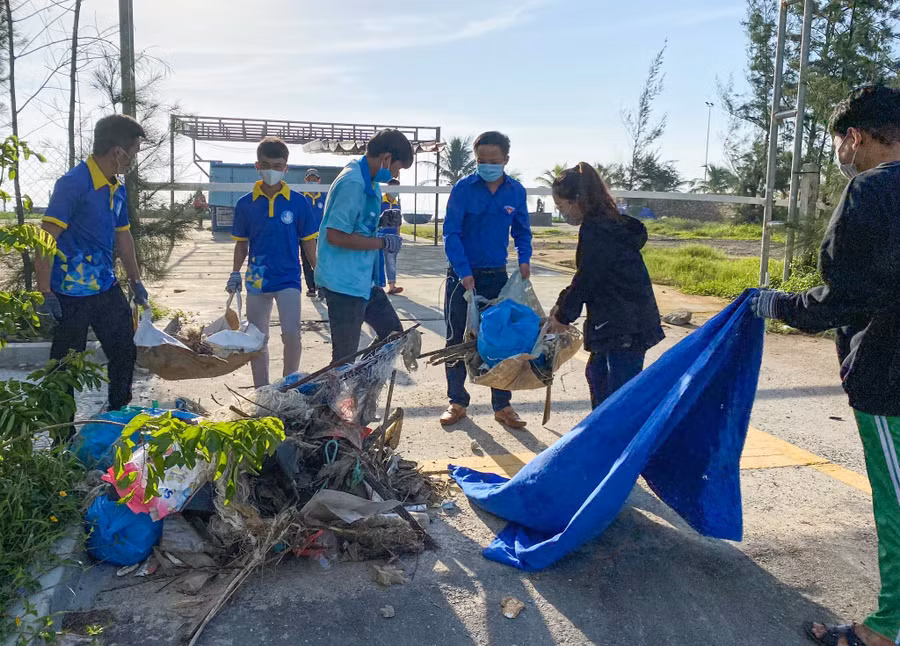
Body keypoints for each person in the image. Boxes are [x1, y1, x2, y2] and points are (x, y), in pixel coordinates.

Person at [751, 85, 900, 646]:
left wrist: (777, 305)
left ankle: (887, 629)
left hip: (890, 377)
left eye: (840, 143)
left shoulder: (874, 189)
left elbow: (846, 296)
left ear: (855, 137)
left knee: (896, 503)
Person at [34, 114, 148, 429]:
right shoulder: (73, 183)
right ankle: (61, 436)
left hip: (105, 287)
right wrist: (44, 291)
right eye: (134, 152)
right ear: (118, 151)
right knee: (65, 368)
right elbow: (46, 238)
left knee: (124, 350)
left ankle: (115, 418)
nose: (133, 159)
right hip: (69, 293)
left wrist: (135, 279)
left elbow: (123, 236)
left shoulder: (116, 188)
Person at [548, 162, 664, 408]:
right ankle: (603, 429)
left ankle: (621, 432)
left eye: (561, 206)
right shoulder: (609, 224)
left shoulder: (598, 230)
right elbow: (588, 272)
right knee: (597, 375)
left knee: (620, 395)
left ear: (577, 199)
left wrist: (563, 315)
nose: (562, 212)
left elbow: (587, 278)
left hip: (624, 323)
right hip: (622, 319)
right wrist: (562, 303)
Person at [441, 131, 532, 430]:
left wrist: (524, 258)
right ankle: (457, 401)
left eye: (494, 161)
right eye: (482, 161)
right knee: (457, 339)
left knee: (501, 338)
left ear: (506, 159)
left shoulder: (516, 192)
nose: (487, 166)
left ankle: (502, 406)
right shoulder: (463, 189)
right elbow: (451, 232)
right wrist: (463, 270)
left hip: (497, 276)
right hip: (462, 276)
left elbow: (522, 230)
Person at [227, 137, 318, 388]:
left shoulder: (298, 202)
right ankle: (262, 390)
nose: (271, 171)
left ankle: (288, 387)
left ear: (285, 168)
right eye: (266, 165)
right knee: (257, 339)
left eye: (277, 166)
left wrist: (319, 273)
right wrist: (234, 272)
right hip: (257, 278)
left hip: (288, 277)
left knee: (292, 334)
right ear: (257, 165)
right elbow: (242, 244)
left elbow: (308, 242)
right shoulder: (245, 204)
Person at [315, 129, 412, 363]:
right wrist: (382, 242)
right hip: (343, 284)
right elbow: (336, 235)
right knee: (344, 358)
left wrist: (380, 223)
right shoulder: (353, 182)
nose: (395, 174)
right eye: (397, 168)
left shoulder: (370, 179)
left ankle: (362, 379)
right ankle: (339, 385)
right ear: (386, 158)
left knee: (392, 334)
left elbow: (357, 224)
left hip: (362, 280)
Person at [301, 168, 326, 298]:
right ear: (305, 180)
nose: (312, 181)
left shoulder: (324, 196)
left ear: (319, 181)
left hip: (321, 236)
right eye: (309, 179)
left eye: (314, 179)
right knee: (306, 261)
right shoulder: (301, 197)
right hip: (305, 236)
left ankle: (321, 286)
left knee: (321, 262)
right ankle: (311, 287)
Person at [380, 177, 403, 295]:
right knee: (378, 262)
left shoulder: (397, 204)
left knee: (391, 262)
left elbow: (399, 221)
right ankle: (377, 286)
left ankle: (392, 286)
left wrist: (398, 236)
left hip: (393, 237)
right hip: (380, 236)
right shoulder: (380, 201)